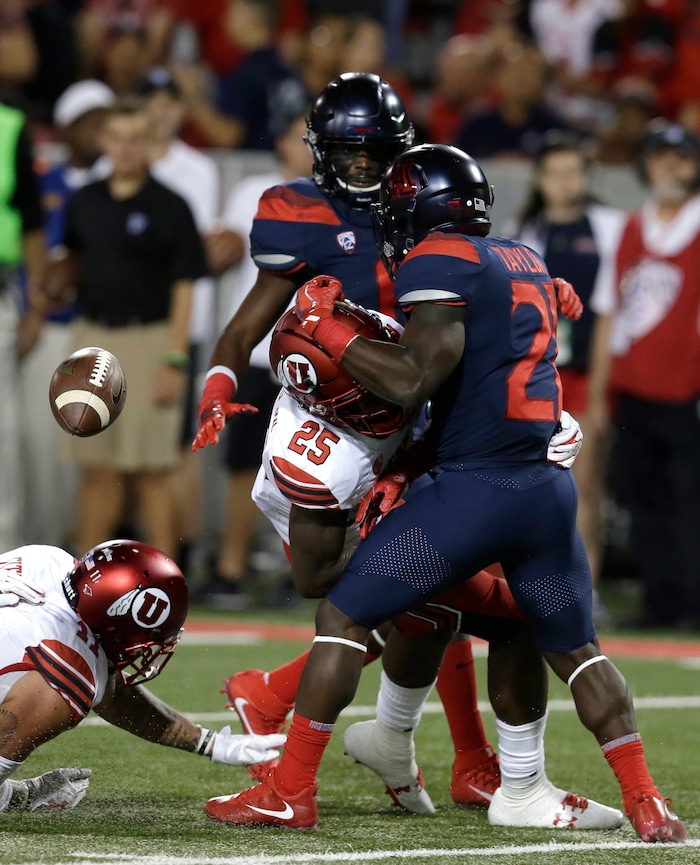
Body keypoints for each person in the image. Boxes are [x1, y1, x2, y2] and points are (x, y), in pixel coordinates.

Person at [203, 144, 686, 844]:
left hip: (474, 490)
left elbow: (409, 380)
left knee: (341, 614)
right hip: (545, 489)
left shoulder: (438, 258)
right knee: (573, 646)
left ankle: (289, 790)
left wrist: (326, 329)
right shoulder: (523, 256)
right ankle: (643, 801)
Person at [192, 72, 502, 806]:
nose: (362, 168)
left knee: (429, 577)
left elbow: (462, 289)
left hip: (415, 408)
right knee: (396, 582)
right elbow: (245, 326)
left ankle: (284, 698)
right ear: (321, 150)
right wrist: (218, 385)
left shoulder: (423, 196)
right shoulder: (295, 212)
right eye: (348, 154)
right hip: (335, 423)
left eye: (374, 154)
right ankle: (456, 754)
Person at [0, 538, 284, 812]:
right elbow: (99, 682)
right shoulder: (57, 681)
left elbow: (112, 693)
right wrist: (21, 793)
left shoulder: (47, 560)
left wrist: (210, 743)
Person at [56, 98, 209, 560]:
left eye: (134, 139)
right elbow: (72, 263)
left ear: (147, 144)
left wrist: (174, 358)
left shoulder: (170, 205)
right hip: (92, 336)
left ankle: (166, 585)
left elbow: (186, 287)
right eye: (116, 138)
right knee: (96, 468)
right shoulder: (84, 201)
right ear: (103, 141)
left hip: (150, 339)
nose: (124, 148)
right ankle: (82, 586)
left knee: (152, 470)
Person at [507, 131, 626, 617]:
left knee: (585, 484)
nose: (564, 182)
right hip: (535, 375)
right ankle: (531, 586)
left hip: (585, 374)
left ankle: (586, 587)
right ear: (540, 179)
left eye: (573, 171)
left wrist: (599, 392)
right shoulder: (521, 232)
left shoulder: (611, 227)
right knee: (526, 484)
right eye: (555, 172)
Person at [197, 108, 313, 608]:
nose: (306, 147)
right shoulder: (257, 192)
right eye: (297, 137)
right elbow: (219, 248)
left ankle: (306, 575)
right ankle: (230, 570)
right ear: (283, 144)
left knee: (312, 474)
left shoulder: (344, 206)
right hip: (260, 349)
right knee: (245, 464)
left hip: (316, 357)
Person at [587, 120, 700, 630]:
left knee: (688, 498)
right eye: (660, 157)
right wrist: (597, 397)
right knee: (643, 500)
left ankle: (691, 602)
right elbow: (610, 312)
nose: (670, 166)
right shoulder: (632, 226)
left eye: (680, 157)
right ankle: (662, 604)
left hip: (687, 391)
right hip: (634, 391)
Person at [20, 79, 115, 550]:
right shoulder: (44, 184)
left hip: (96, 331)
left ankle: (77, 545)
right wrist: (33, 309)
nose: (99, 131)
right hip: (51, 330)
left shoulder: (114, 187)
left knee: (87, 452)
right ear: (67, 128)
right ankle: (35, 545)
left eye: (105, 121)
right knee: (37, 447)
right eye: (89, 122)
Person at [0, 98, 45, 552]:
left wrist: (35, 306)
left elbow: (32, 222)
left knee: (1, 431)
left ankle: (2, 556)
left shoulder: (9, 126)